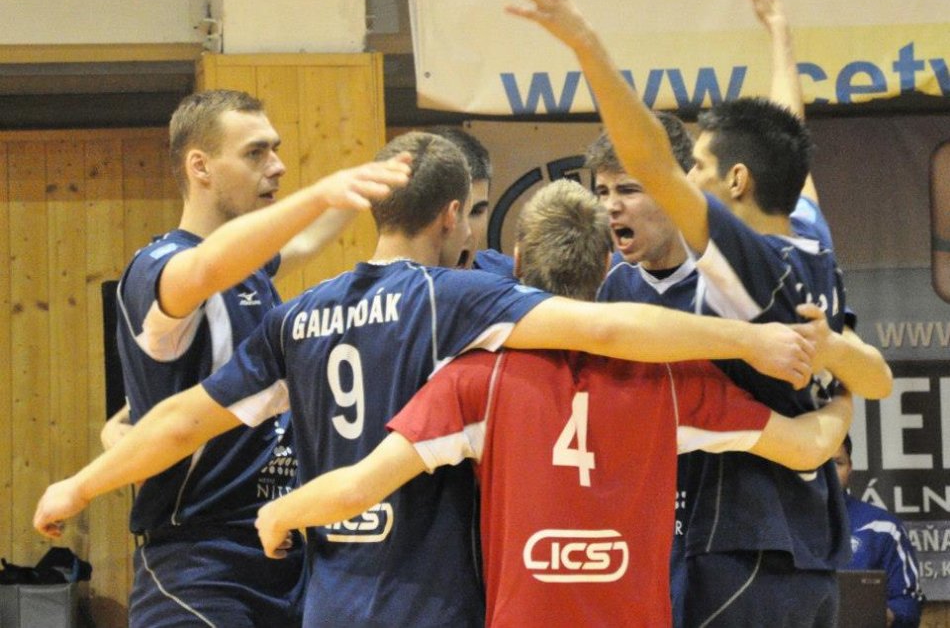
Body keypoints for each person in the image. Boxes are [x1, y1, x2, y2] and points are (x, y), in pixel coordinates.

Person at [35, 131, 818, 627]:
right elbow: (608, 329)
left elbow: (182, 419)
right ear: (450, 214)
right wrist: (747, 339)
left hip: (329, 600)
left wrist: (79, 484)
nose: (473, 230)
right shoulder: (454, 300)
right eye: (471, 213)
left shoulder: (295, 314)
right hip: (432, 597)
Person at [253, 179, 856, 627]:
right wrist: (845, 392)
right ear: (607, 265)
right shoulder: (671, 381)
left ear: (514, 262)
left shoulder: (474, 380)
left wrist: (278, 516)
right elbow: (810, 447)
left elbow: (357, 489)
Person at [497, 0, 892, 626]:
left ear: (736, 181)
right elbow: (785, 137)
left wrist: (584, 41)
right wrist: (778, 30)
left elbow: (653, 160)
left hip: (739, 542)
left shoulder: (750, 263)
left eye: (701, 168)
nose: (692, 181)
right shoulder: (807, 230)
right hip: (808, 547)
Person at [95, 88, 412, 627]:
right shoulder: (160, 265)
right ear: (200, 167)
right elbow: (204, 269)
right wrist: (318, 194)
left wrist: (361, 186)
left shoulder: (251, 270)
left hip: (280, 548)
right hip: (200, 563)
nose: (277, 165)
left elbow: (302, 245)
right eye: (255, 152)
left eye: (276, 148)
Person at [834, 436, 924, 628]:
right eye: (818, 464)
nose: (827, 473)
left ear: (850, 468)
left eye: (837, 463)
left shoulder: (883, 527)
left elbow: (909, 603)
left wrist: (877, 614)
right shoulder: (780, 527)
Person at [430, 124, 514, 274]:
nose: (466, 231)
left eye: (476, 212)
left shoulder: (511, 276)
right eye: (453, 213)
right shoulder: (390, 281)